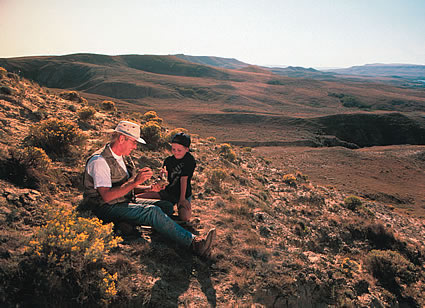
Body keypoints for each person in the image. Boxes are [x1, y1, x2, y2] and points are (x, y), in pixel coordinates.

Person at [82, 120, 215, 257]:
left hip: (121, 202)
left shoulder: (123, 158)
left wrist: (149, 188)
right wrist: (135, 182)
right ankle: (195, 243)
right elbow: (107, 196)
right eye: (133, 142)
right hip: (103, 207)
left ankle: (135, 224)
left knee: (166, 206)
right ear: (122, 139)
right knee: (153, 211)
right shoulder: (100, 161)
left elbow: (125, 189)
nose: (135, 147)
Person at [138, 132, 195, 222]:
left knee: (185, 218)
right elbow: (164, 179)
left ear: (187, 149)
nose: (176, 152)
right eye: (173, 149)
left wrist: (182, 199)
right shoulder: (168, 160)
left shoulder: (189, 160)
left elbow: (184, 179)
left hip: (183, 192)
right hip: (169, 191)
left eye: (179, 150)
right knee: (139, 198)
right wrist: (162, 176)